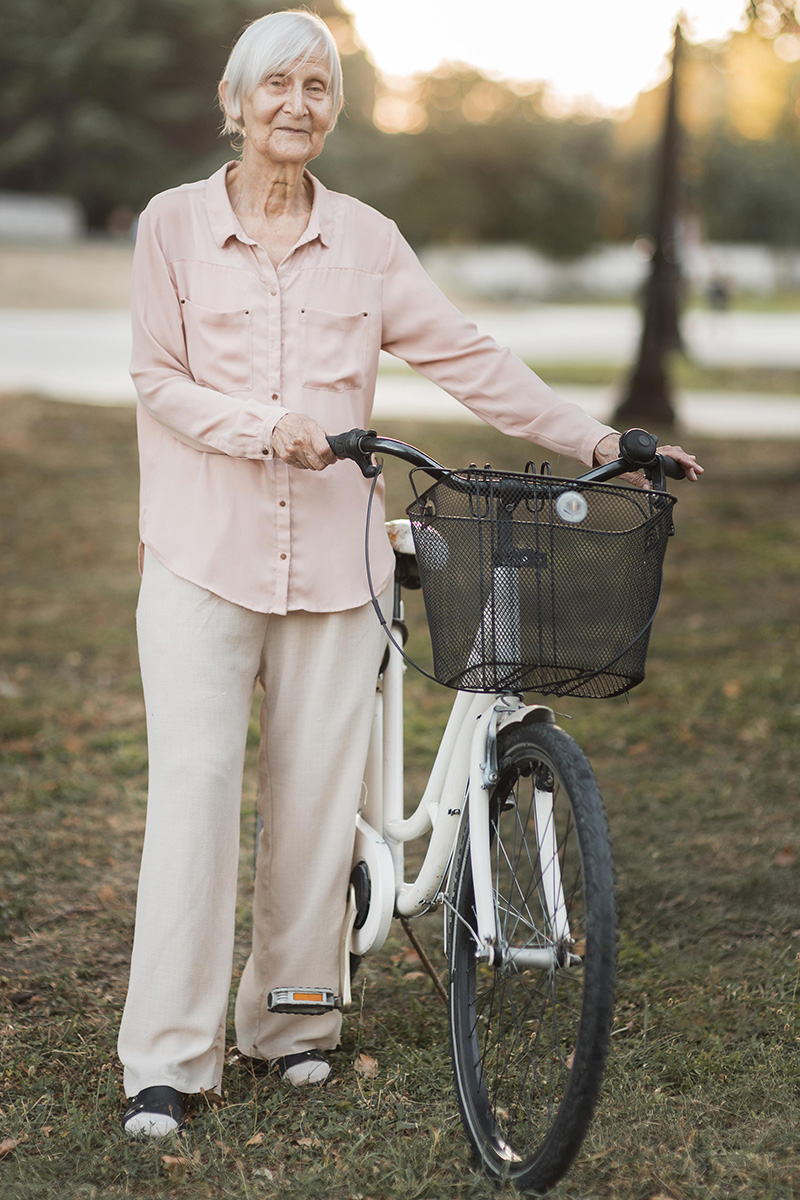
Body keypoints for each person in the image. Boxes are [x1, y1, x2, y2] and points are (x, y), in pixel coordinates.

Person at [118, 9, 702, 1138]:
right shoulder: (170, 228)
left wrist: (598, 441)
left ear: (332, 111)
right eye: (276, 86)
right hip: (200, 556)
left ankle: (292, 1022)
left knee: (316, 808)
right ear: (234, 105)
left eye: (318, 89)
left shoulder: (369, 241)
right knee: (191, 803)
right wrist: (264, 426)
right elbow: (156, 378)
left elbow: (466, 354)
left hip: (340, 567)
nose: (297, 105)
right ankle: (168, 1060)